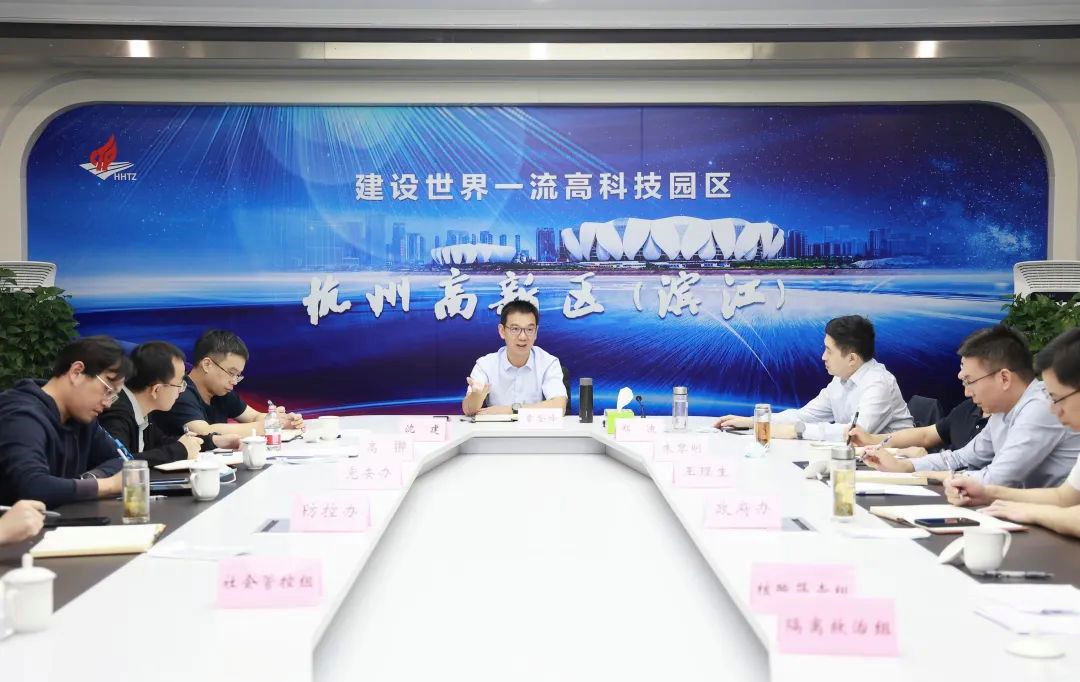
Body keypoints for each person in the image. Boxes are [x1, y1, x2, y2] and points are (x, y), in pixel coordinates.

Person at [865, 325, 1080, 487]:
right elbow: (961, 458)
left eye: (970, 381)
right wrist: (904, 466)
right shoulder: (1003, 410)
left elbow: (998, 478)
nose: (967, 392)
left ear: (1004, 378)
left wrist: (932, 475)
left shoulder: (1040, 407)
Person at [949, 327, 1080, 537]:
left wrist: (1032, 512)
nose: (1054, 410)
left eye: (1057, 399)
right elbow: (1064, 498)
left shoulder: (1037, 407)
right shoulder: (1003, 410)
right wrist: (987, 493)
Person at [715, 315, 913, 441]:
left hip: (898, 466)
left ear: (852, 358)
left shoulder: (878, 383)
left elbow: (855, 433)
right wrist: (754, 421)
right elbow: (804, 415)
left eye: (829, 351)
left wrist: (797, 431)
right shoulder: (841, 380)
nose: (823, 357)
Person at [0, 336, 132, 507]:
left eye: (113, 396)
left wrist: (89, 480)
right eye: (107, 390)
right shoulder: (21, 416)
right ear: (76, 372)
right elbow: (34, 487)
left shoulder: (82, 418)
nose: (107, 403)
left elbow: (122, 459)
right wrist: (110, 485)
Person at [99, 341, 240, 466]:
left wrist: (213, 441)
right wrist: (181, 450)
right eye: (180, 384)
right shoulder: (116, 413)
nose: (181, 391)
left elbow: (162, 442)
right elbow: (119, 463)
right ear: (156, 390)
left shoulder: (142, 409)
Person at [152, 329, 302, 438]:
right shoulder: (179, 392)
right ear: (207, 364)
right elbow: (204, 432)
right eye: (231, 373)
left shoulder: (221, 392)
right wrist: (265, 426)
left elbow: (254, 417)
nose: (234, 381)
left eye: (237, 375)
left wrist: (282, 421)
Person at [462, 300, 568, 417]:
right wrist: (476, 396)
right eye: (515, 329)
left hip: (535, 428)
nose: (522, 337)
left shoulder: (548, 363)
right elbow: (468, 410)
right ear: (502, 331)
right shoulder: (485, 365)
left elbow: (559, 406)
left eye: (529, 329)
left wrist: (511, 410)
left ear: (536, 332)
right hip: (496, 428)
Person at [847, 398, 988, 458]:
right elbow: (925, 435)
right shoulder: (967, 408)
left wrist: (922, 461)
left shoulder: (1000, 424)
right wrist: (871, 439)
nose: (967, 392)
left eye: (970, 380)